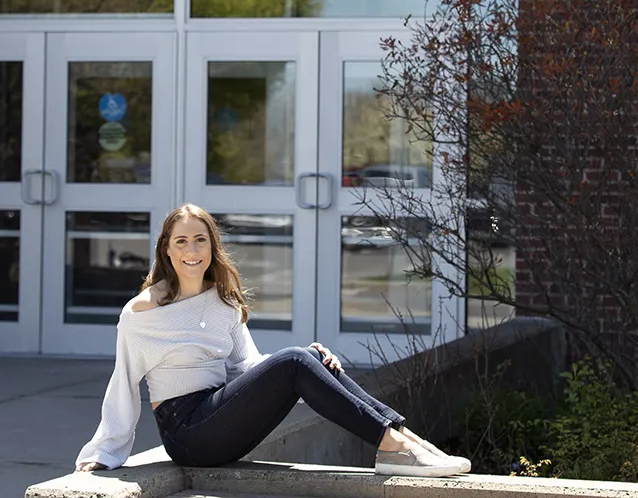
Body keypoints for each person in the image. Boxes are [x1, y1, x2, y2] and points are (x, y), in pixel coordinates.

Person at [74, 204, 470, 478]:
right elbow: (122, 383)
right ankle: (394, 446)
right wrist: (105, 452)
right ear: (166, 248)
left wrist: (313, 364)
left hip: (220, 419)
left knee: (307, 358)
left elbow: (248, 369)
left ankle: (403, 439)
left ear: (212, 247)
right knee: (295, 360)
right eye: (181, 241)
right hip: (188, 433)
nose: (191, 250)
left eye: (200, 240)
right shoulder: (143, 312)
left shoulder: (222, 304)